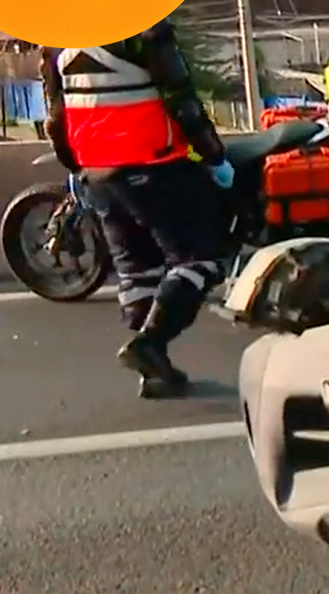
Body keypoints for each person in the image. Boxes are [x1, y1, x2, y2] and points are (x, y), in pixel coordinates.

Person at [40, 20, 234, 399]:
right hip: (153, 164)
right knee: (199, 261)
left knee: (138, 272)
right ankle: (150, 342)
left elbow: (56, 119)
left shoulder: (57, 39)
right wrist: (214, 156)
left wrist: (76, 166)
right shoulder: (141, 29)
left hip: (99, 173)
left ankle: (154, 370)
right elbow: (182, 100)